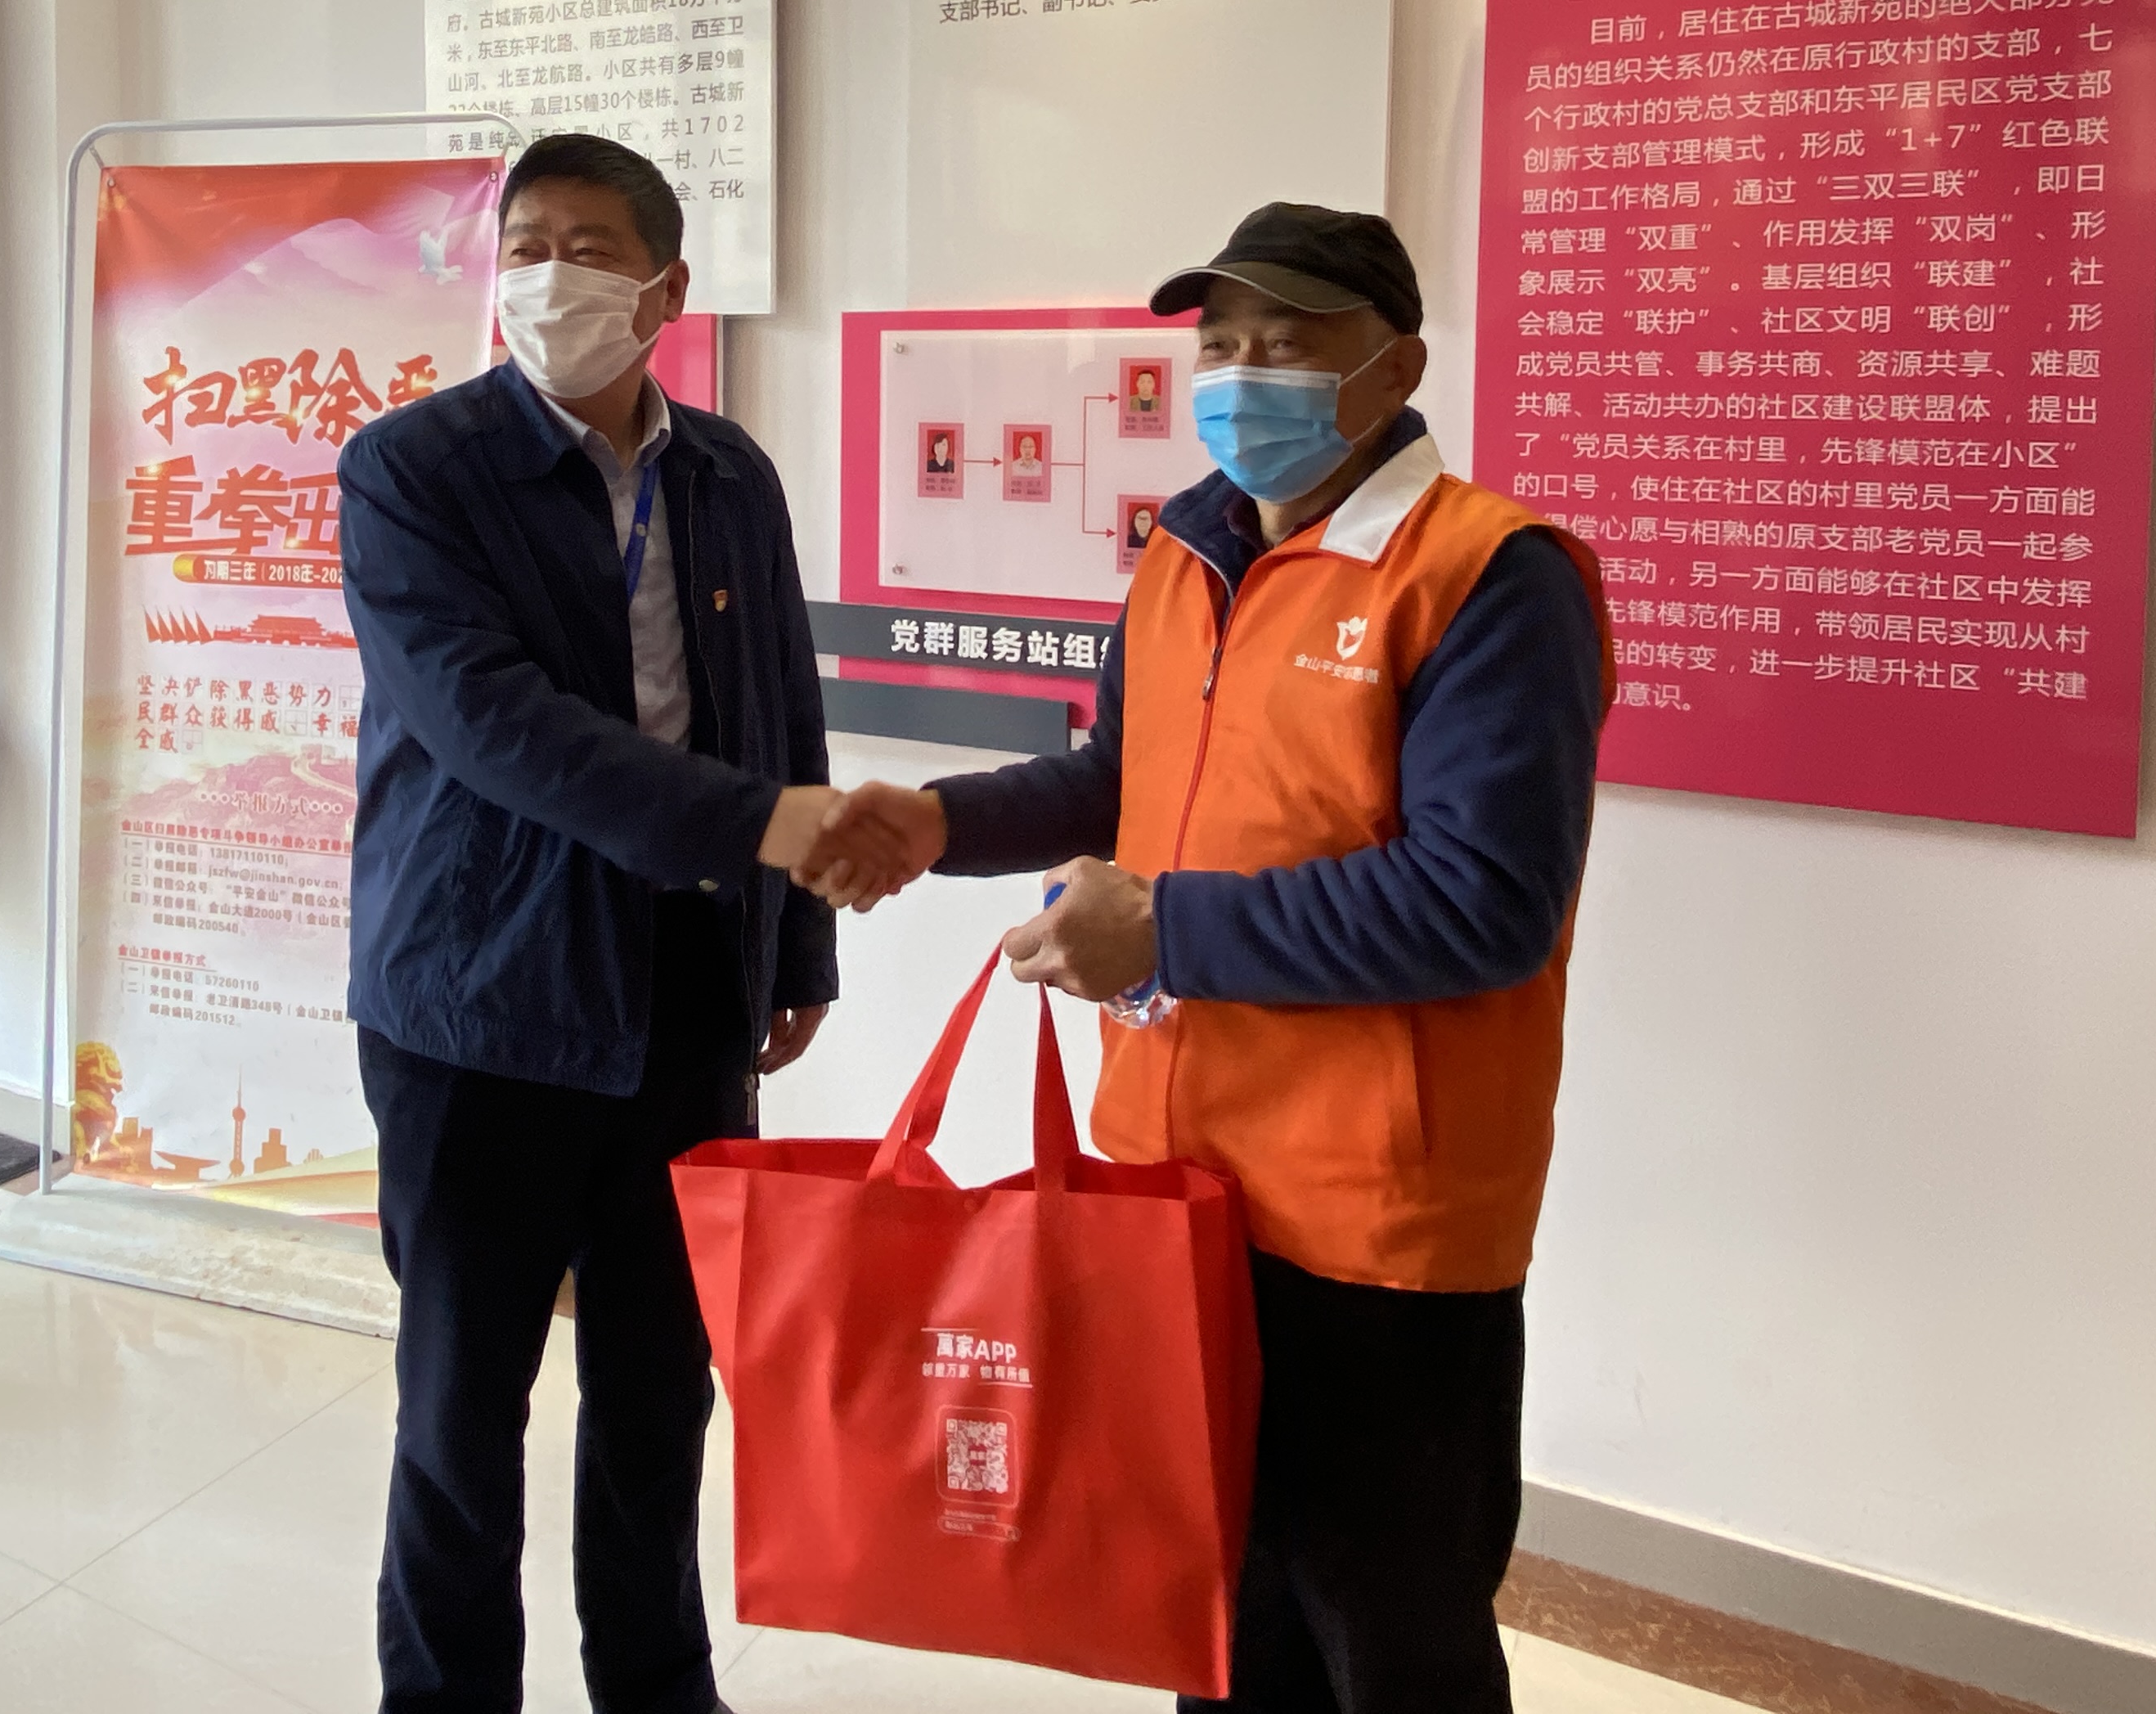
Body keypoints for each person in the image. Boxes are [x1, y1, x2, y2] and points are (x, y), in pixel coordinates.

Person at [811, 201, 1613, 1714]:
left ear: (1396, 367)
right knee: (1220, 1612)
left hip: (1379, 1220)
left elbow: (1482, 904)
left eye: (1287, 346)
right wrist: (938, 823)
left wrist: (1165, 931)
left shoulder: (1491, 576)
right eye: (1222, 346)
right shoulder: (1189, 550)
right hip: (1180, 1191)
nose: (1244, 378)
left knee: (1394, 1639)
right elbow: (1125, 780)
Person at [338, 131, 879, 1714]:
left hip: (686, 994)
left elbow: (780, 706)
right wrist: (757, 828)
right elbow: (490, 724)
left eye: (586, 251)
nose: (547, 279)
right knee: (460, 1414)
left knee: (660, 1393)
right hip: (477, 1003)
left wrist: (799, 942)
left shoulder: (728, 474)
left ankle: (658, 1687)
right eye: (525, 249)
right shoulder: (413, 469)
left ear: (664, 291)